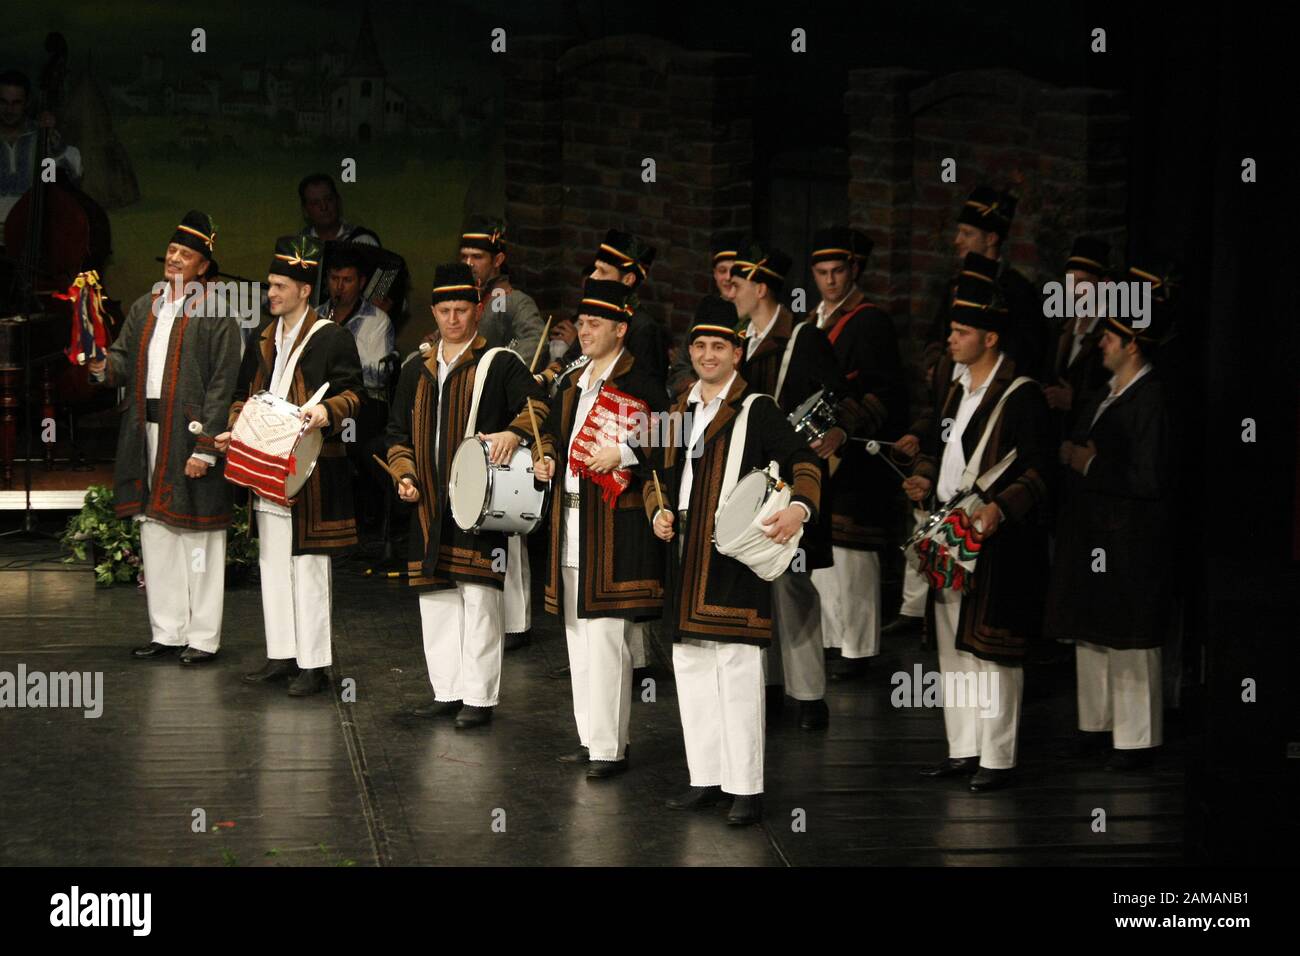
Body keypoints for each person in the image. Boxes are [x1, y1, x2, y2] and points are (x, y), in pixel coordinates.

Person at [644, 318, 823, 825]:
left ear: (736, 353)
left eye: (718, 346)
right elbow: (658, 474)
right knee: (693, 668)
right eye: (699, 345)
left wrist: (799, 510)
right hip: (684, 552)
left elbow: (803, 460)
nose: (707, 354)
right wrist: (657, 509)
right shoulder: (680, 409)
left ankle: (746, 788)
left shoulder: (756, 409)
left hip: (732, 557)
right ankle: (706, 778)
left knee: (738, 669)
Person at [901, 261, 1051, 793]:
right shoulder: (955, 385)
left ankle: (998, 758)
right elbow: (941, 449)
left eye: (960, 333)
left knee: (992, 652)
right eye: (951, 330)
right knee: (953, 651)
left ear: (990, 337)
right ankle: (964, 750)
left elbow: (1039, 469)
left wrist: (999, 510)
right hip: (949, 532)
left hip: (996, 541)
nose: (951, 339)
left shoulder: (1023, 394)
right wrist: (922, 478)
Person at [384, 263, 552, 729]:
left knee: (479, 597)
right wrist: (403, 472)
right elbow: (396, 432)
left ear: (478, 310)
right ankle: (447, 690)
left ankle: (478, 698)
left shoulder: (499, 363)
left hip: (479, 503)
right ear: (433, 312)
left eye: (462, 310)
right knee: (435, 598)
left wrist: (513, 433)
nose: (453, 319)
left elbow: (537, 406)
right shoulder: (415, 368)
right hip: (429, 500)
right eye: (444, 310)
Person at [87, 211, 239, 665]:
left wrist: (207, 448)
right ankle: (168, 632)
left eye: (185, 254)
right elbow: (121, 358)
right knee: (156, 531)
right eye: (172, 251)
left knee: (200, 540)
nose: (174, 259)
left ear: (203, 267)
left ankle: (203, 638)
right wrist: (101, 368)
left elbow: (222, 383)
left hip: (190, 435)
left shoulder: (217, 313)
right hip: (146, 432)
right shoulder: (144, 306)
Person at [533, 278, 667, 777]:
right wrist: (546, 456)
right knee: (576, 636)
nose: (584, 332)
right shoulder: (574, 380)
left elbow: (669, 435)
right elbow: (554, 433)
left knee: (606, 637)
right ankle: (591, 738)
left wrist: (624, 451)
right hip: (569, 517)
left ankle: (611, 747)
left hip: (613, 526)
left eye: (594, 324)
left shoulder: (641, 380)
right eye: (582, 323)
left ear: (620, 328)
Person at [219, 236, 364, 697]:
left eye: (280, 286)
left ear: (304, 290)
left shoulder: (332, 337)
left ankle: (315, 664)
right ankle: (282, 653)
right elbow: (243, 394)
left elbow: (357, 393)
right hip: (266, 466)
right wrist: (236, 427)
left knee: (308, 568)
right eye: (270, 285)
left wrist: (328, 411)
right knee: (272, 564)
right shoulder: (264, 338)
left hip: (310, 471)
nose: (271, 294)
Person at [1044, 268, 1173, 771]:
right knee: (1091, 633)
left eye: (1111, 336)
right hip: (1094, 530)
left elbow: (1150, 476)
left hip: (1130, 538)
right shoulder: (1107, 392)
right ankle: (1095, 727)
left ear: (1133, 345)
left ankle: (1137, 739)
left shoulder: (1151, 399)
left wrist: (1089, 462)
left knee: (1130, 639)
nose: (1101, 342)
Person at [730, 244, 841, 729]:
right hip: (750, 482)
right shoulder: (739, 339)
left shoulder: (802, 337)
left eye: (737, 285)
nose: (729, 292)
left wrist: (829, 437)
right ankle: (771, 686)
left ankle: (810, 694)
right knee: (758, 582)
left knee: (793, 583)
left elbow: (834, 402)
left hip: (792, 480)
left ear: (760, 288)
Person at [803, 227, 909, 681]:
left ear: (853, 270)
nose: (830, 281)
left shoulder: (870, 320)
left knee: (854, 554)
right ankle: (831, 640)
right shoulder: (812, 321)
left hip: (858, 454)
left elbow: (884, 388)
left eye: (838, 271)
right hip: (819, 449)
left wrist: (847, 428)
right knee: (826, 549)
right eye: (822, 273)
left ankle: (859, 648)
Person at [458, 214, 546, 648]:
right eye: (465, 256)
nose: (470, 263)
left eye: (478, 256)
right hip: (469, 419)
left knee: (507, 521)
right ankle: (489, 617)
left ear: (498, 259)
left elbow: (531, 350)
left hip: (503, 418)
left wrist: (505, 362)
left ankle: (516, 621)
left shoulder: (512, 301)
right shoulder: (464, 299)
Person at [319, 246, 396, 530]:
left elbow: (378, 376)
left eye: (347, 280)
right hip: (322, 402)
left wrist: (339, 364)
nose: (339, 287)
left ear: (361, 282)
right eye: (334, 279)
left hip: (364, 403)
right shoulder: (316, 316)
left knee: (350, 440)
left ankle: (357, 518)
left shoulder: (377, 320)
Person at [1042, 237, 1112, 442]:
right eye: (1070, 282)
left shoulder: (1113, 336)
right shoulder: (1061, 329)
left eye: (1082, 283)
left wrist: (1077, 402)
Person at [0, 69, 83, 236]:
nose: (9, 109)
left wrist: (51, 138)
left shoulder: (41, 137)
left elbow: (67, 177)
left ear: (27, 103)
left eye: (16, 103)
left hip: (33, 234)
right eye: (3, 102)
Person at [297, 172, 379, 246]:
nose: (324, 207)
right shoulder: (299, 247)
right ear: (305, 210)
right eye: (315, 203)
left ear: (338, 201)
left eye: (329, 199)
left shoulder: (363, 240)